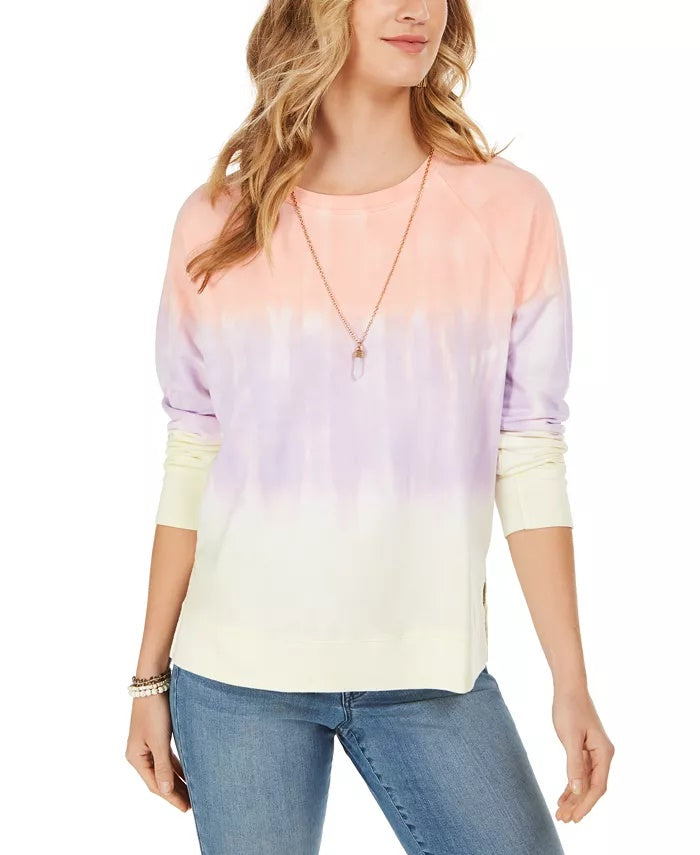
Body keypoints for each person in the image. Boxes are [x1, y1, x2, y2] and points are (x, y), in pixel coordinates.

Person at [125, 1, 614, 852]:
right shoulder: (219, 221)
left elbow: (529, 448)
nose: (417, 9)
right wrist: (146, 677)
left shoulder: (509, 210)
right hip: (237, 679)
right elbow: (194, 446)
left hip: (432, 672)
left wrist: (570, 680)